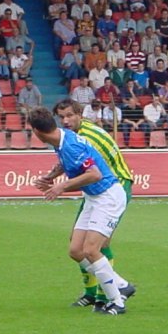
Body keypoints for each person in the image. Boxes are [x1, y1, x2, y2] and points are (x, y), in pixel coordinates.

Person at [29, 106, 134, 315]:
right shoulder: (62, 137)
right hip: (94, 197)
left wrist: (61, 186)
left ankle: (117, 302)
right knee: (76, 250)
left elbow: (95, 174)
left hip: (108, 196)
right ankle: (121, 284)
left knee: (91, 250)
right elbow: (65, 162)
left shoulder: (69, 144)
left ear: (37, 132)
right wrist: (51, 178)